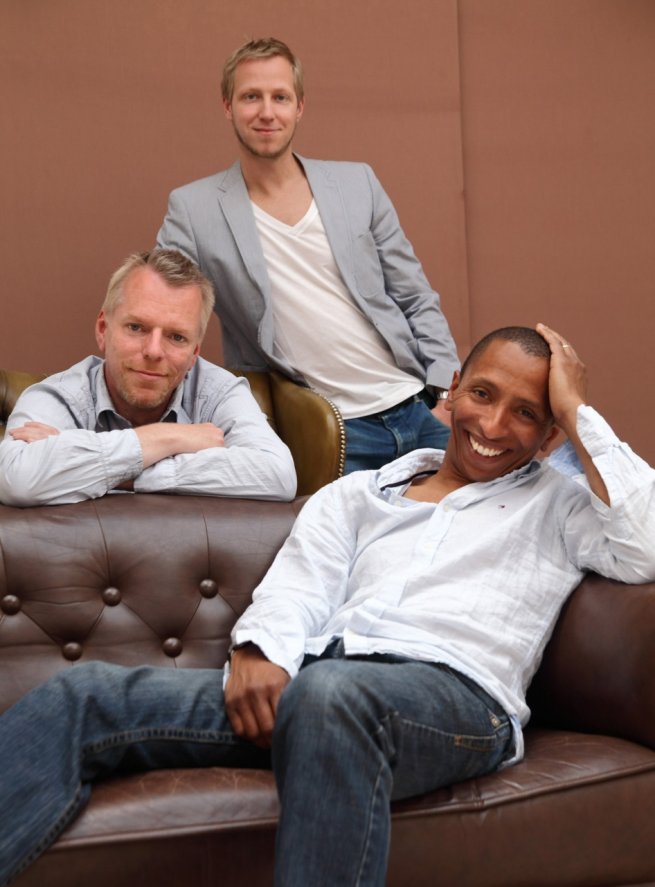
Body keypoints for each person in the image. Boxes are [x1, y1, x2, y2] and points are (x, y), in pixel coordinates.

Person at [1, 323, 653, 887]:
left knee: (330, 693)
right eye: (482, 394)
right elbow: (300, 582)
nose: (491, 425)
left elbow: (645, 543)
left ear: (548, 435)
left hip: (455, 702)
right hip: (319, 683)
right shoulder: (356, 493)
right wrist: (259, 651)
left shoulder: (561, 505)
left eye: (527, 412)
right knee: (82, 695)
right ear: (453, 390)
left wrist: (576, 411)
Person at [156, 37, 460, 473]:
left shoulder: (357, 184)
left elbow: (414, 295)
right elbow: (162, 311)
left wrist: (446, 394)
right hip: (329, 431)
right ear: (227, 106)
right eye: (251, 97)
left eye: (280, 97)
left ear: (300, 107)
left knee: (498, 509)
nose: (266, 112)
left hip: (419, 407)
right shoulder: (194, 209)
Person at [0, 248, 296, 506]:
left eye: (176, 337)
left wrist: (117, 472)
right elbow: (16, 479)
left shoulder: (218, 392)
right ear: (103, 330)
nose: (154, 351)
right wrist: (169, 438)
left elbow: (277, 474)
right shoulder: (58, 396)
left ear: (194, 352)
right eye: (136, 328)